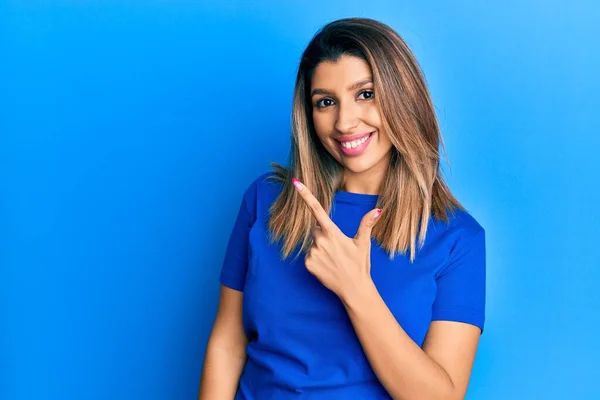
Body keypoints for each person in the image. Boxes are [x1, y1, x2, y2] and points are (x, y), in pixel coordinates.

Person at [199, 17, 486, 400]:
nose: (345, 122)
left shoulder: (456, 238)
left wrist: (356, 288)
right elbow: (227, 341)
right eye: (326, 102)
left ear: (403, 97)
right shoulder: (266, 201)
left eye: (365, 94)